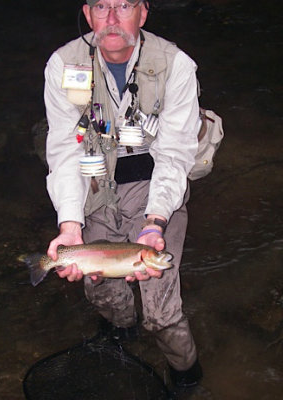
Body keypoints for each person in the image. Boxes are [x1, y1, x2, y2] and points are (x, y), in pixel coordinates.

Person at [43, 0, 203, 390]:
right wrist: (70, 225)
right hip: (93, 181)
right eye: (102, 6)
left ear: (143, 14)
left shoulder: (175, 65)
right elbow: (65, 150)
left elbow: (174, 153)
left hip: (154, 185)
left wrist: (154, 223)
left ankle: (186, 373)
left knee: (161, 305)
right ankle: (122, 330)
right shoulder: (63, 64)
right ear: (87, 13)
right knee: (100, 286)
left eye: (124, 5)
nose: (112, 19)